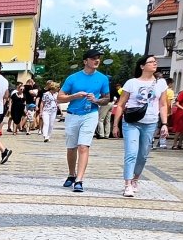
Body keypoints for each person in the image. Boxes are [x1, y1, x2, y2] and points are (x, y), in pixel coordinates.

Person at [113, 55, 170, 197]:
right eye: (151, 62)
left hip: (150, 123)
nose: (154, 63)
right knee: (131, 153)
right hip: (131, 122)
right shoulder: (131, 83)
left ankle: (135, 179)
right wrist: (115, 125)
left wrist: (164, 124)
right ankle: (127, 184)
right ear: (142, 66)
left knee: (143, 155)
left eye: (155, 61)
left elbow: (163, 104)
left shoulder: (161, 83)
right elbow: (121, 104)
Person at [59, 49, 113, 192]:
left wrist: (96, 100)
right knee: (71, 147)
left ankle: (79, 180)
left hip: (90, 114)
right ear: (85, 61)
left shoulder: (102, 78)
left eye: (98, 58)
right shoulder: (73, 78)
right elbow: (60, 97)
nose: (97, 60)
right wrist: (74, 96)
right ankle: (71, 174)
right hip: (73, 114)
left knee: (83, 146)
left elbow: (107, 98)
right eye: (93, 58)